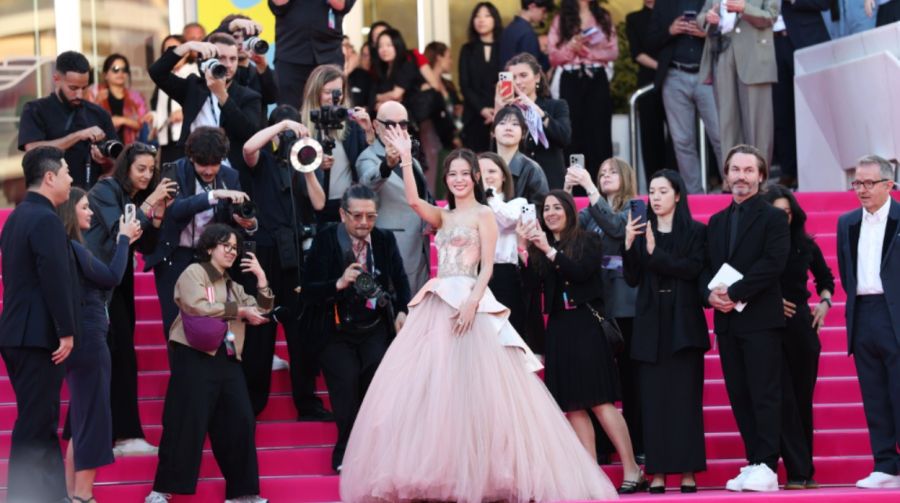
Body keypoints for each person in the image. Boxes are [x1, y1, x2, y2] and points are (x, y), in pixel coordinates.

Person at [341, 139, 617, 501]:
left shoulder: (484, 215)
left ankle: (490, 472)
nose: (457, 179)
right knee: (439, 391)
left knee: (485, 391)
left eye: (463, 174)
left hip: (472, 300)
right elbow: (412, 201)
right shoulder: (444, 214)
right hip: (440, 303)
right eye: (451, 174)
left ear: (474, 177)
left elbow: (487, 265)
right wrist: (406, 161)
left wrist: (472, 302)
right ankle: (446, 471)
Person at [516, 189, 645, 493]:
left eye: (556, 207)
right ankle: (591, 475)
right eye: (546, 209)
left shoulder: (587, 240)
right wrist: (524, 249)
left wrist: (549, 250)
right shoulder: (539, 246)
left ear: (570, 210)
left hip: (587, 323)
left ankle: (632, 468)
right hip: (559, 328)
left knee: (600, 401)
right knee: (573, 405)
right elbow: (533, 289)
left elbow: (581, 273)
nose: (550, 213)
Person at [144, 224, 272, 503]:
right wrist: (238, 311)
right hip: (194, 355)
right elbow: (195, 303)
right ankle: (162, 488)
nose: (232, 252)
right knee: (184, 422)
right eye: (226, 245)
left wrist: (261, 278)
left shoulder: (232, 284)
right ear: (210, 247)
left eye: (235, 248)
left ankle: (242, 492)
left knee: (241, 421)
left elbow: (262, 308)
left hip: (227, 358)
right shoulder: (194, 272)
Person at [301, 184, 411, 472]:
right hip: (334, 328)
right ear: (342, 213)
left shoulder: (384, 240)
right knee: (345, 383)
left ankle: (373, 450)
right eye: (357, 216)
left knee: (374, 383)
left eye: (371, 216)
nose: (364, 223)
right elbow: (308, 291)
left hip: (374, 325)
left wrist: (401, 311)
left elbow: (401, 281)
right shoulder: (326, 239)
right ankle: (346, 450)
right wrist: (338, 283)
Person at [701, 144, 790, 492]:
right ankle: (754, 461)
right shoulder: (717, 221)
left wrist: (734, 293)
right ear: (726, 175)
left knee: (764, 394)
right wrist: (709, 295)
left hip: (761, 320)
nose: (741, 176)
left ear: (761, 176)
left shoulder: (772, 218)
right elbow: (706, 266)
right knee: (739, 394)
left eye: (748, 170)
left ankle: (768, 464)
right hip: (727, 323)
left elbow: (773, 263)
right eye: (735, 170)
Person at [240, 105, 332, 420]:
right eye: (284, 131)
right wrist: (282, 126)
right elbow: (248, 147)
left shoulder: (306, 160)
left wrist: (307, 166)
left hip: (297, 250)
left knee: (301, 329)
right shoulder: (261, 160)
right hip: (264, 251)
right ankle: (252, 402)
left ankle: (306, 402)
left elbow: (319, 203)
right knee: (260, 327)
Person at [85, 143, 176, 456]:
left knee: (122, 352)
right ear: (125, 167)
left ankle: (117, 433)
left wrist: (159, 211)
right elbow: (120, 230)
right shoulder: (105, 189)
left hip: (118, 279)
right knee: (116, 353)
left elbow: (147, 246)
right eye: (141, 169)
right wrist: (151, 200)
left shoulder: (136, 197)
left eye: (151, 170)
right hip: (96, 280)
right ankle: (119, 435)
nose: (147, 175)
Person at [623, 169, 709, 493]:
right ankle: (657, 471)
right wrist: (629, 244)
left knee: (685, 402)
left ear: (677, 195)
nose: (655, 197)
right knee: (653, 402)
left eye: (662, 191)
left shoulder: (696, 232)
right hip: (650, 325)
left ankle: (688, 471)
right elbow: (632, 278)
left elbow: (691, 269)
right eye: (652, 191)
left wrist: (654, 255)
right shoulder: (642, 230)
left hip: (683, 325)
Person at [0, 146, 76, 503]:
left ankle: (50, 495)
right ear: (49, 177)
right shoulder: (45, 219)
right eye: (66, 172)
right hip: (37, 335)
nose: (71, 179)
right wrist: (66, 329)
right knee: (36, 425)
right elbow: (54, 278)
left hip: (20, 332)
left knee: (41, 422)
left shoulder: (17, 216)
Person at [57, 187, 141, 503]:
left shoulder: (68, 248)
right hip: (89, 340)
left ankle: (73, 495)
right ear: (69, 213)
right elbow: (112, 277)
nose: (90, 212)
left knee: (81, 421)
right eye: (84, 207)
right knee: (92, 421)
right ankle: (83, 496)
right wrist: (123, 239)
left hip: (83, 338)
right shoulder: (74, 248)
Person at [142, 127, 255, 337]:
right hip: (174, 255)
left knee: (211, 319)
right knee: (175, 322)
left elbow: (234, 220)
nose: (209, 170)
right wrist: (213, 195)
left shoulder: (230, 176)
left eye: (215, 163)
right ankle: (180, 369)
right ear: (191, 157)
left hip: (210, 259)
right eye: (203, 164)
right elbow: (174, 210)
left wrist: (245, 222)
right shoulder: (174, 170)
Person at [566, 157, 643, 462]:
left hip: (625, 301)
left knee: (630, 376)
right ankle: (603, 445)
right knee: (597, 378)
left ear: (625, 176)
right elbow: (569, 231)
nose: (605, 176)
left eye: (612, 172)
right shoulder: (589, 213)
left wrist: (589, 188)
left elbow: (615, 229)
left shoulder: (634, 207)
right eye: (601, 173)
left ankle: (637, 444)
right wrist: (568, 190)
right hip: (595, 300)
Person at [763, 185, 835, 489]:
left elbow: (826, 278)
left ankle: (806, 471)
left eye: (788, 213)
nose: (784, 218)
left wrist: (825, 301)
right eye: (778, 213)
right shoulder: (759, 246)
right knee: (784, 400)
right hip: (768, 328)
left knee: (802, 401)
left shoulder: (805, 245)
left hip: (802, 331)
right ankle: (797, 471)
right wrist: (770, 301)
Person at [836, 155, 900, 489]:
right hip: (863, 312)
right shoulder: (846, 223)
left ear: (889, 185)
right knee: (874, 393)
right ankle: (886, 463)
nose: (861, 189)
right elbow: (848, 275)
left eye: (868, 183)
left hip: (896, 314)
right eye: (857, 183)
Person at [148, 32, 262, 171]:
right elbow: (157, 72)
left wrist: (222, 96)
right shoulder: (193, 88)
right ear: (208, 60)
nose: (228, 65)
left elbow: (249, 134)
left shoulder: (249, 96)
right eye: (222, 58)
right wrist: (187, 46)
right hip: (193, 171)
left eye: (233, 59)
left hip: (232, 174)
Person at [647, 0, 722, 194]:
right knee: (682, 141)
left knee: (720, 135)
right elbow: (650, 40)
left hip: (708, 73)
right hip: (674, 76)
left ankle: (732, 187)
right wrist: (670, 30)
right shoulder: (663, 4)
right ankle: (694, 194)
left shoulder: (710, 1)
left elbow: (733, 35)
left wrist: (707, 34)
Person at [356, 101, 430, 293]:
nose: (398, 129)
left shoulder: (411, 158)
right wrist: (386, 165)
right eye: (390, 124)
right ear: (376, 126)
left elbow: (423, 195)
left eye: (403, 124)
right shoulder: (369, 157)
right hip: (394, 246)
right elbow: (367, 184)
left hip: (421, 245)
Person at [18, 51, 118, 188]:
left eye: (84, 87)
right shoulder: (36, 109)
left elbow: (118, 162)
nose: (80, 94)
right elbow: (32, 150)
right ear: (56, 79)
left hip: (90, 200)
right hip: (51, 199)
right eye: (73, 88)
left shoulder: (99, 114)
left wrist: (104, 161)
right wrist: (77, 136)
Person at [699, 0, 779, 164]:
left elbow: (771, 16)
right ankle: (733, 178)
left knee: (757, 126)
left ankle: (759, 180)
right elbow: (702, 15)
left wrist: (745, 8)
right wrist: (708, 18)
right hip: (722, 53)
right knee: (727, 123)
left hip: (755, 57)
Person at [548, 0, 619, 182]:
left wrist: (589, 53)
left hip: (596, 77)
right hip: (571, 77)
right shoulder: (561, 18)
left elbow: (613, 52)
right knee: (573, 132)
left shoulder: (603, 17)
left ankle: (603, 184)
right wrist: (571, 47)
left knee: (600, 132)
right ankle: (574, 186)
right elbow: (553, 56)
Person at [300, 64, 374, 223]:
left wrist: (368, 131)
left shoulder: (351, 124)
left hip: (347, 205)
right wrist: (314, 164)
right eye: (327, 92)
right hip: (311, 208)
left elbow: (368, 165)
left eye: (337, 92)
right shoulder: (300, 126)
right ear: (315, 92)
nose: (332, 97)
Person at [773, 1, 832, 189]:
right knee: (780, 110)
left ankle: (820, 167)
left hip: (807, 39)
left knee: (814, 110)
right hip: (769, 44)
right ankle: (788, 171)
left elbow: (825, 3)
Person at [496, 53, 572, 191]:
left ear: (537, 77)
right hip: (517, 184)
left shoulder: (556, 106)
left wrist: (536, 110)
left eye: (523, 75)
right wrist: (498, 109)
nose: (518, 82)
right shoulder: (508, 110)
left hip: (551, 182)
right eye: (513, 77)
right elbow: (495, 149)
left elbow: (564, 137)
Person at [478, 152, 529, 337]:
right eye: (480, 171)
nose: (485, 176)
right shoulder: (466, 206)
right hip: (474, 274)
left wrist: (489, 196)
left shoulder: (518, 202)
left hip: (504, 273)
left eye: (491, 171)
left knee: (508, 333)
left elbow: (508, 219)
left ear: (504, 177)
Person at [269, 0, 356, 106]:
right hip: (291, 54)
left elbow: (341, 5)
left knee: (332, 106)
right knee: (289, 109)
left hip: (328, 53)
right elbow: (280, 3)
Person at [626, 0, 675, 183]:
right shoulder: (634, 18)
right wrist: (661, 68)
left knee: (677, 136)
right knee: (650, 135)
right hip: (649, 82)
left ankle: (676, 183)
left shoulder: (672, 15)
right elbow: (637, 53)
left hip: (674, 79)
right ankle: (654, 184)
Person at [459, 2, 504, 154]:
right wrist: (482, 109)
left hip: (501, 115)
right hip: (474, 116)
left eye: (486, 15)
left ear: (495, 19)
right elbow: (464, 85)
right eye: (477, 16)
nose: (481, 20)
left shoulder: (504, 47)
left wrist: (498, 109)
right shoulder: (467, 50)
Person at [420, 41, 463, 194]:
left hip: (451, 137)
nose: (450, 61)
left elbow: (457, 106)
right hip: (431, 136)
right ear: (439, 58)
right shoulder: (422, 84)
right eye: (448, 57)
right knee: (434, 176)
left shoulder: (448, 84)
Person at [87, 54, 151, 150]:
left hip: (131, 150)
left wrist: (122, 120)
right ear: (106, 74)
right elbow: (87, 119)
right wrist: (96, 102)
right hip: (101, 150)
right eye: (116, 69)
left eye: (124, 70)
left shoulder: (136, 97)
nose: (120, 73)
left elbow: (144, 123)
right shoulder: (94, 92)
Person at [150, 35, 196, 164]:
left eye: (176, 49)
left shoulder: (195, 72)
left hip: (187, 140)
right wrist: (154, 119)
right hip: (166, 139)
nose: (172, 54)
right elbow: (156, 105)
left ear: (186, 52)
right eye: (167, 51)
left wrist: (186, 111)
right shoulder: (164, 77)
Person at [492, 105, 548, 204]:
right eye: (502, 123)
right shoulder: (482, 166)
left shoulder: (532, 169)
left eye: (515, 124)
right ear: (493, 132)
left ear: (523, 134)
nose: (508, 128)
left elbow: (540, 209)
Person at [371, 29, 424, 115]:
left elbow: (396, 94)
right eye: (380, 46)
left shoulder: (407, 63)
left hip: (416, 117)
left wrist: (377, 97)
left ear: (397, 45)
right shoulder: (382, 68)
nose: (384, 49)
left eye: (389, 45)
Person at [500, 0, 553, 70]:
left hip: (506, 78)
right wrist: (550, 57)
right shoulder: (528, 33)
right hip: (519, 79)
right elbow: (533, 69)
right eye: (544, 11)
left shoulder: (509, 28)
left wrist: (506, 81)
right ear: (532, 6)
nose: (545, 16)